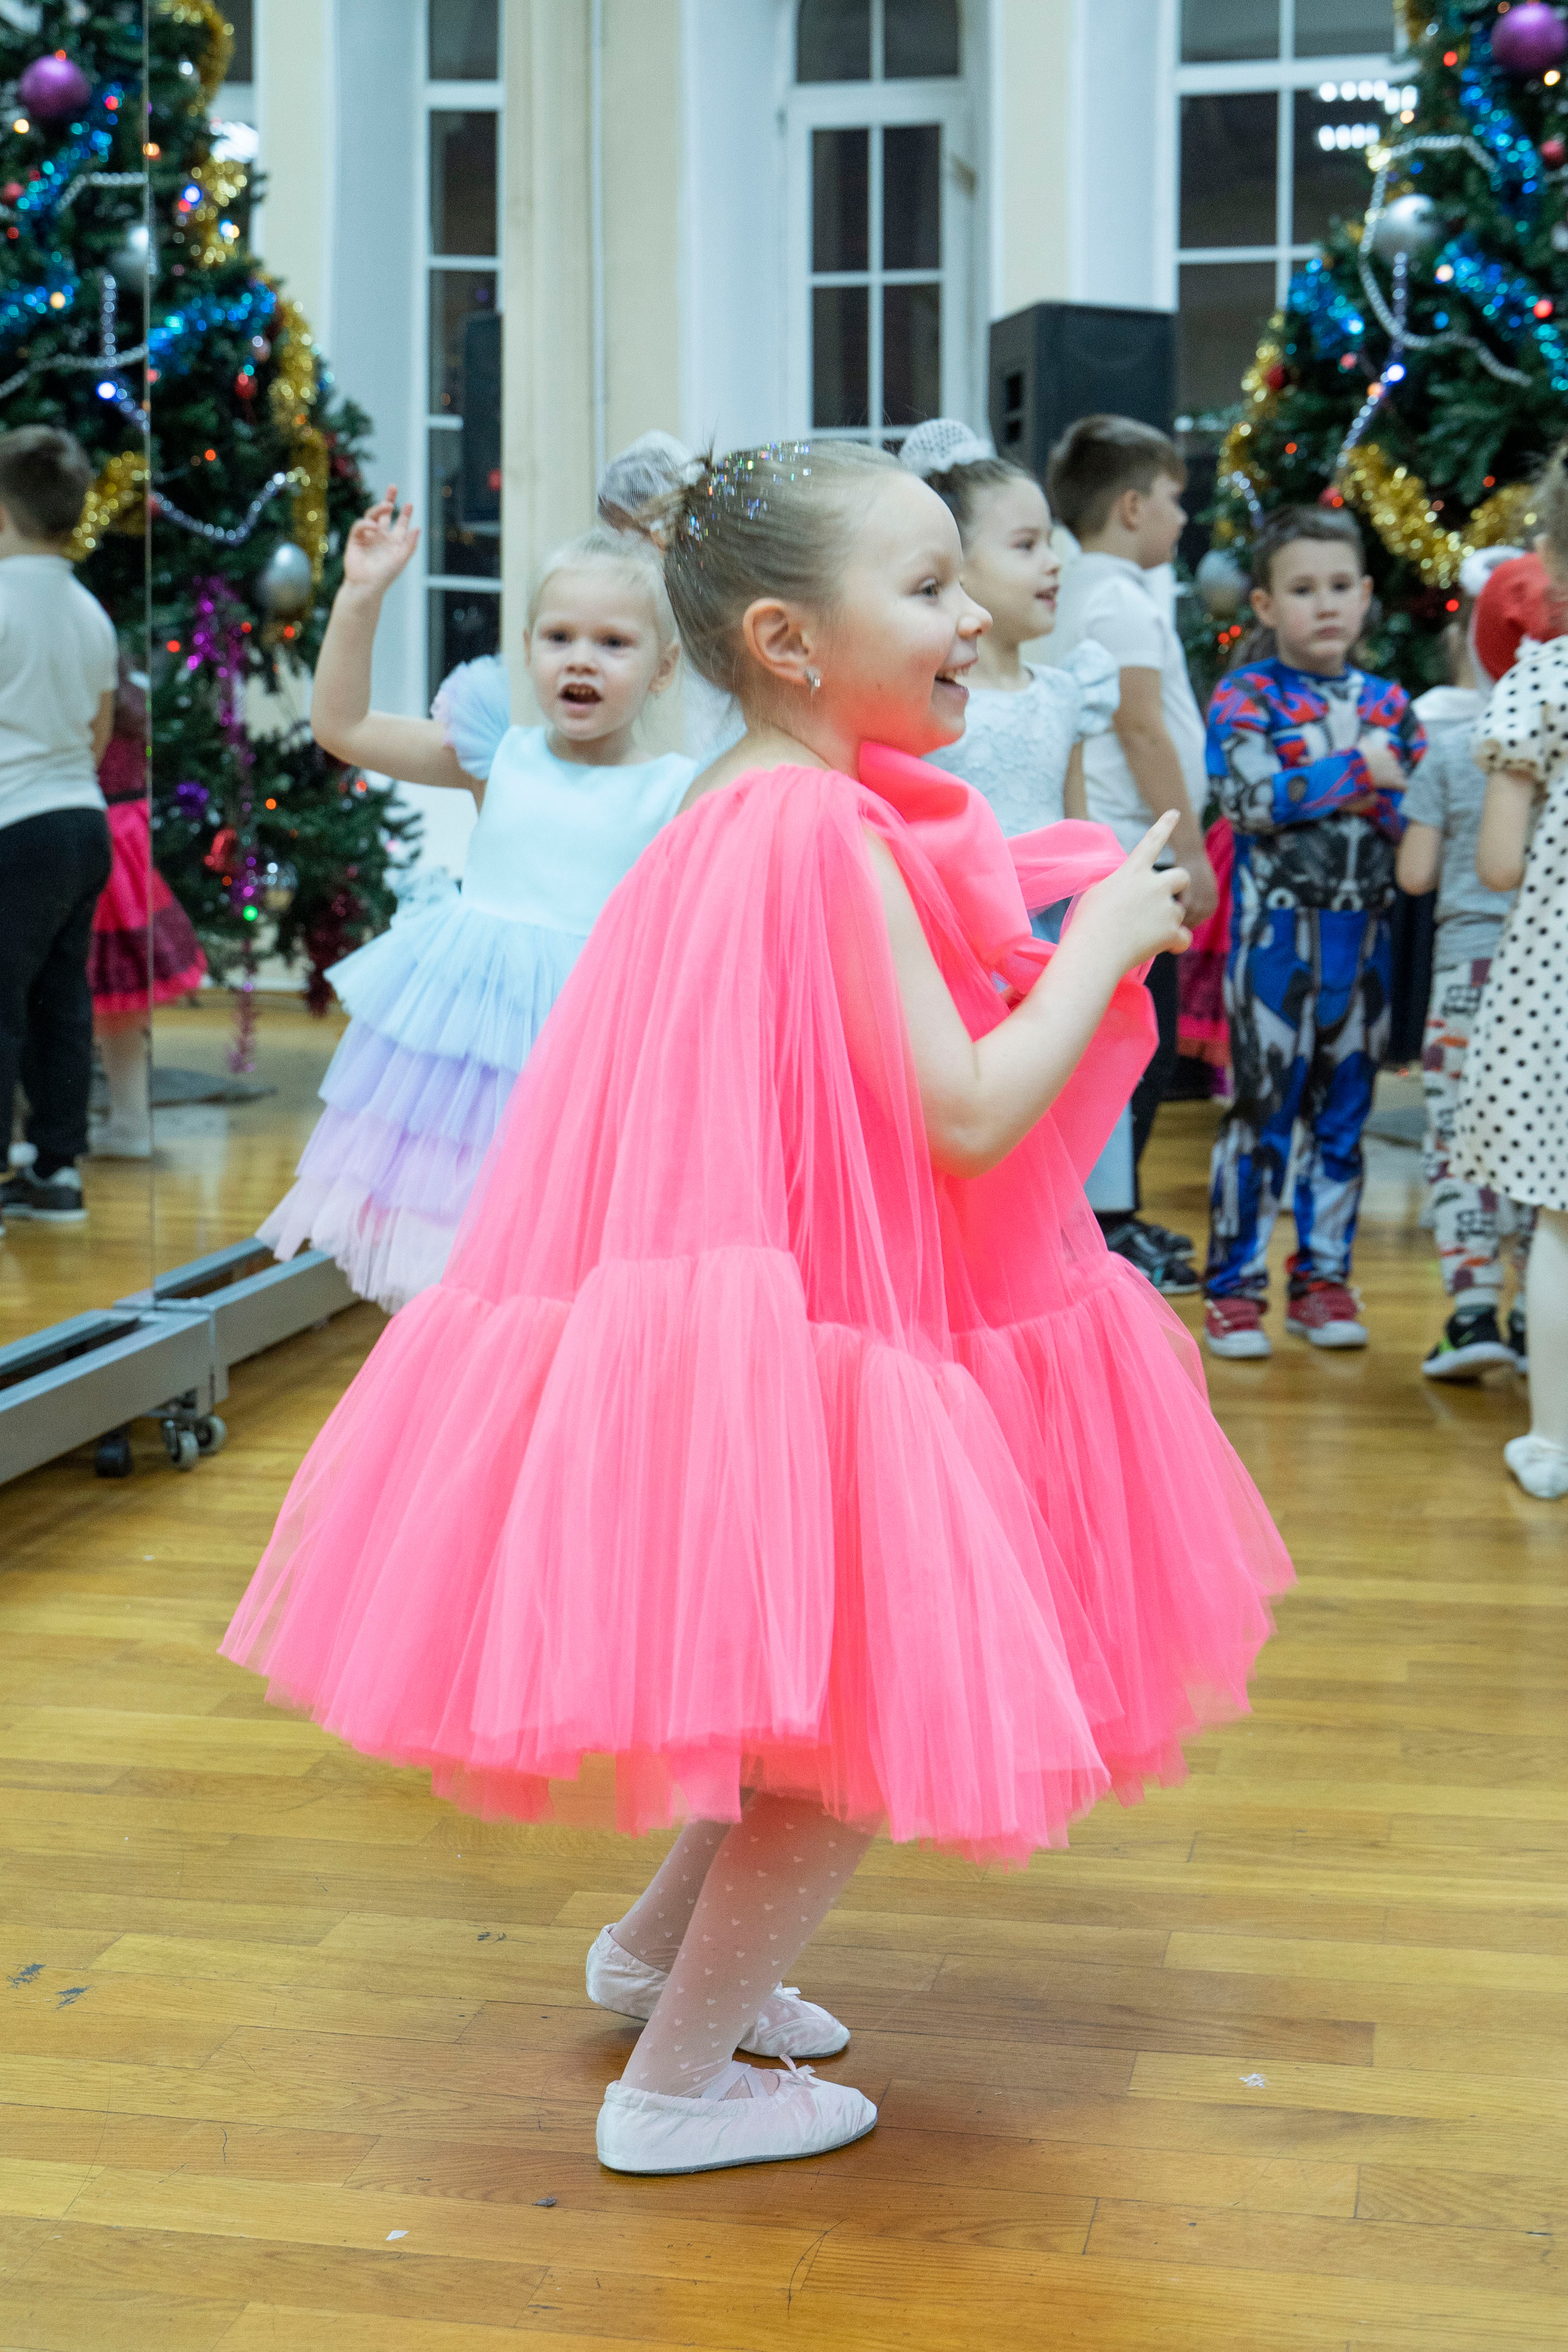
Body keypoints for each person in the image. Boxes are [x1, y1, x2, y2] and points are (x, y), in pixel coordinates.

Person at [221, 441, 1291, 2179]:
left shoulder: (741, 804)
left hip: (786, 1312)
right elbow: (959, 1113)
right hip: (815, 1333)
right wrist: (1101, 943)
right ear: (796, 642)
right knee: (850, 1727)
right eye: (931, 588)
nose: (971, 619)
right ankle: (680, 2085)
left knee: (800, 1700)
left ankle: (657, 1955)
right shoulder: (821, 833)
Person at [258, 489, 693, 1312]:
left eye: (613, 642)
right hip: (477, 1058)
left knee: (576, 1263)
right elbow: (342, 726)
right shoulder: (499, 757)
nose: (582, 660)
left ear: (663, 667)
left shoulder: (677, 792)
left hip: (600, 1047)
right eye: (560, 638)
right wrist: (361, 595)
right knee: (468, 1263)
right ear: (527, 649)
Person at [1199, 508, 1425, 1360]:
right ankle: (1234, 1289)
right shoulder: (1245, 696)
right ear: (1264, 605)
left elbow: (1416, 813)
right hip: (1275, 941)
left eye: (1340, 588)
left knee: (1345, 1115)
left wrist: (1333, 785)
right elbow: (1250, 803)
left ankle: (1324, 1279)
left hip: (1363, 941)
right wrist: (1359, 775)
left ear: (1365, 597)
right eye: (1302, 590)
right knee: (1262, 1113)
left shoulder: (1390, 703)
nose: (1324, 606)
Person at [1044, 415, 1219, 1295]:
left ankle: (1114, 1210)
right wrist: (1187, 844)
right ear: (1130, 505)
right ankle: (1111, 1223)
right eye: (1175, 501)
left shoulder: (1081, 587)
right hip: (1135, 843)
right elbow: (1141, 726)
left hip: (1113, 841)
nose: (1186, 520)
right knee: (1140, 1037)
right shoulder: (1115, 597)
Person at [1455, 443, 1568, 1500]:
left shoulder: (1543, 676)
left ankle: (1552, 1443)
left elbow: (1495, 863)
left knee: (1561, 1220)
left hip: (1557, 988)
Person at [1396, 603, 1529, 1381]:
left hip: (1465, 979)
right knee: (1543, 1146)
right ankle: (1533, 1316)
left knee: (1456, 1141)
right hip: (1547, 979)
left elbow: (1415, 873)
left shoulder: (1449, 751)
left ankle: (1473, 1312)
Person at [0, 426, 118, 1232]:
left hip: (15, 826)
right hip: (83, 825)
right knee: (60, 1002)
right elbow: (101, 730)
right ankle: (56, 1167)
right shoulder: (91, 611)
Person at [895, 418, 1119, 833]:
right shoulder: (921, 702)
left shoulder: (1067, 694)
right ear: (954, 563)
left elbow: (1081, 834)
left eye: (1050, 543)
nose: (1053, 562)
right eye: (1026, 545)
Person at [87, 657, 208, 1159]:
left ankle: (123, 1124)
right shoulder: (133, 687)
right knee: (121, 1001)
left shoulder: (93, 695)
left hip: (102, 831)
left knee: (97, 992)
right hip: (127, 834)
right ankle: (129, 1120)